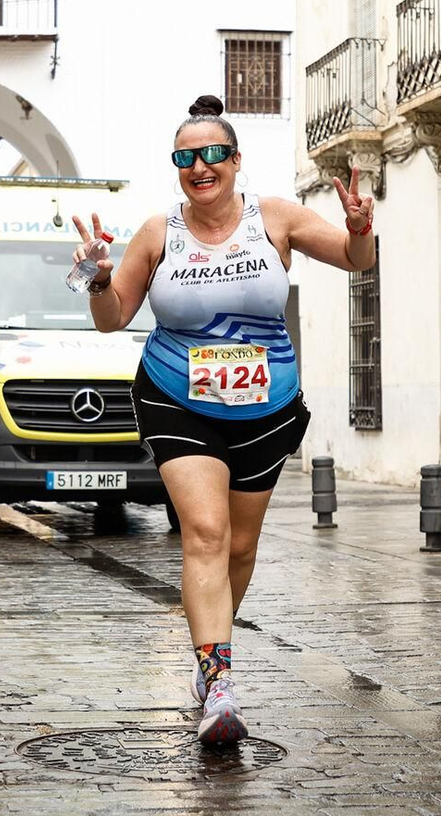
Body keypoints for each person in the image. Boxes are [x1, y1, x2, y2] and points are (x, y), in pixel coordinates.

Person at [74, 94, 374, 746]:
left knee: (238, 546)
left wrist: (358, 228)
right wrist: (98, 280)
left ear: (236, 160)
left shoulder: (276, 217)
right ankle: (219, 684)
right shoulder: (158, 233)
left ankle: (209, 650)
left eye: (213, 153)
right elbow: (113, 317)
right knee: (206, 534)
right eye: (185, 157)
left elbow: (357, 260)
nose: (200, 166)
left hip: (265, 405)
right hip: (177, 398)